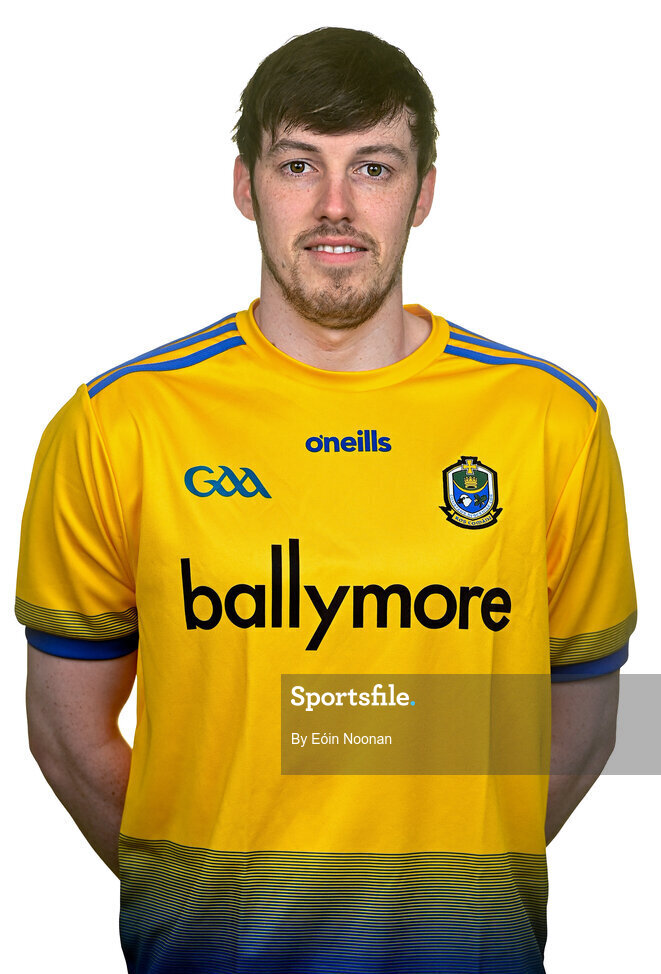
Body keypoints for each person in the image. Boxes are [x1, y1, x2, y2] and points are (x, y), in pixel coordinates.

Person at [16, 26, 636, 974]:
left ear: (422, 193)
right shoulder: (117, 424)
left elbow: (581, 723)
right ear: (244, 186)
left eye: (374, 168)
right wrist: (194, 905)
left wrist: (453, 886)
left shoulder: (551, 422)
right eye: (299, 164)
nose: (335, 205)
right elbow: (66, 735)